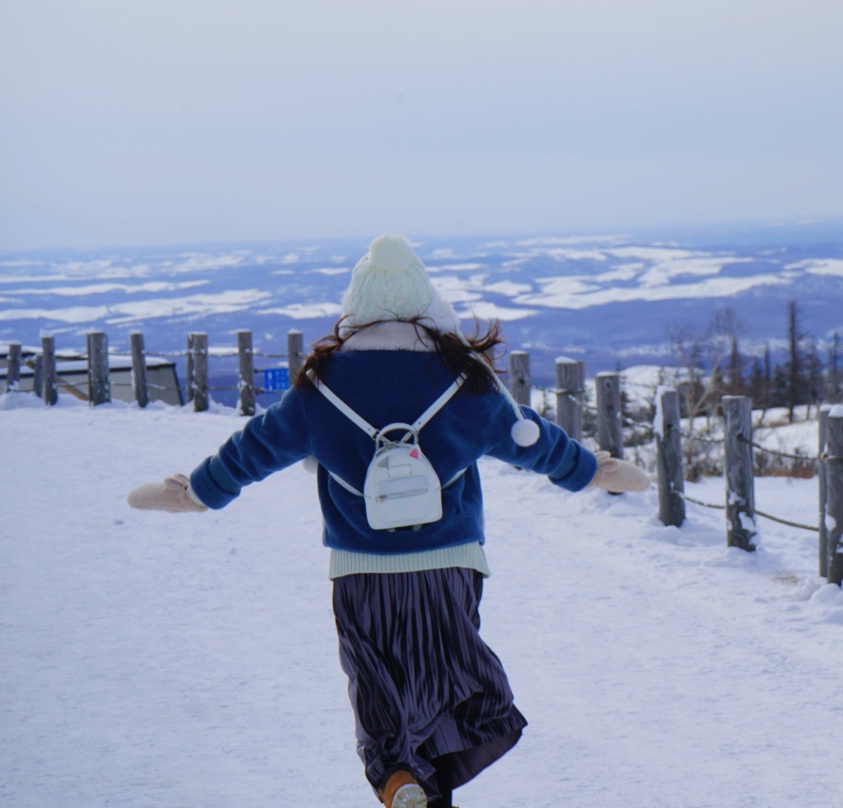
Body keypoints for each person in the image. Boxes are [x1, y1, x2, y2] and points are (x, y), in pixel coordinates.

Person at [127, 234, 648, 808]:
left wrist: (196, 491)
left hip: (361, 566)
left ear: (358, 308)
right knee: (446, 674)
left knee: (376, 680)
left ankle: (396, 775)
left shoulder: (321, 386)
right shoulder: (463, 381)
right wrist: (591, 471)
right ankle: (426, 777)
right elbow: (531, 438)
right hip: (450, 563)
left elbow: (253, 448)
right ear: (428, 305)